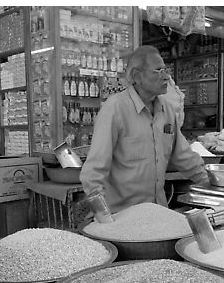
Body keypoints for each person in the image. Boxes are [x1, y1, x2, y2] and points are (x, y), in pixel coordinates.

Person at [80, 45, 208, 214]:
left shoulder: (167, 110)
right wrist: (103, 216)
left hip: (158, 212)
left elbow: (184, 156)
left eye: (166, 70)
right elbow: (94, 171)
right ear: (136, 76)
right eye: (158, 71)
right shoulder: (115, 109)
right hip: (122, 215)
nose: (166, 77)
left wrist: (211, 185)